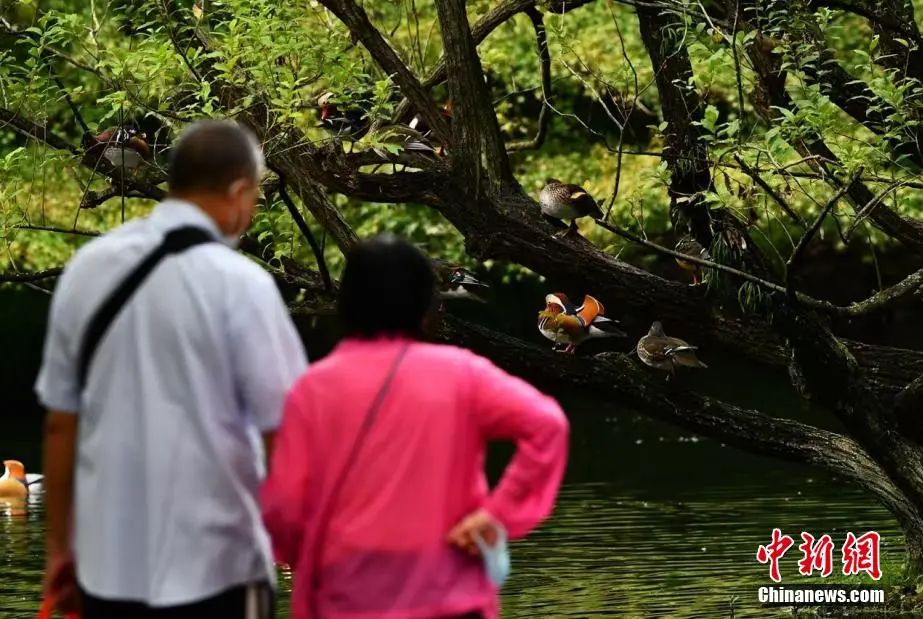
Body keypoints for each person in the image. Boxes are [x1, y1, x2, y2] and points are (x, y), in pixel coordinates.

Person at [36, 120, 307, 618]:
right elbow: (283, 430)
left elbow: (59, 422)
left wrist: (59, 548)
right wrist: (295, 540)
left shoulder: (87, 270)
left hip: (108, 566)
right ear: (240, 192)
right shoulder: (242, 284)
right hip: (221, 566)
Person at [262, 235, 569, 619]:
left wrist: (300, 557)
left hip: (348, 599)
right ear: (426, 304)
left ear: (348, 303)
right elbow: (547, 425)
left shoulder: (312, 390)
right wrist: (498, 515)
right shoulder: (462, 374)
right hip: (448, 597)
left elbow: (285, 506)